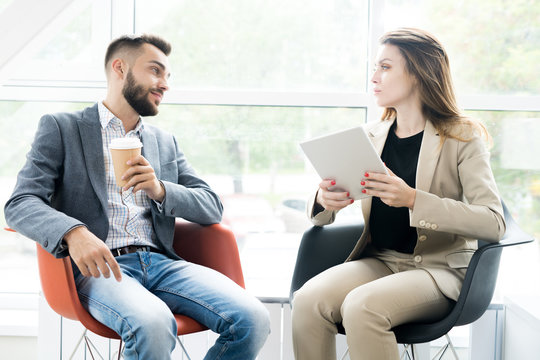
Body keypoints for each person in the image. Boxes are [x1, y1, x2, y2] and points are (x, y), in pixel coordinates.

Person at [5, 34, 270, 360]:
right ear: (120, 68)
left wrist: (160, 189)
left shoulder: (164, 142)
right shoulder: (63, 128)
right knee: (152, 323)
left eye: (168, 76)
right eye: (156, 71)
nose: (165, 84)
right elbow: (20, 203)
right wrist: (74, 232)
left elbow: (212, 206)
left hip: (162, 263)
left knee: (253, 319)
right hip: (101, 269)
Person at [291, 28, 506, 360]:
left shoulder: (463, 138)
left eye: (385, 67)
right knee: (308, 301)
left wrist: (413, 200)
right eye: (375, 67)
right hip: (381, 261)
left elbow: (494, 223)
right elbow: (323, 210)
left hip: (438, 270)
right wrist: (324, 200)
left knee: (362, 307)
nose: (374, 77)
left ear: (419, 74)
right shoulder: (370, 136)